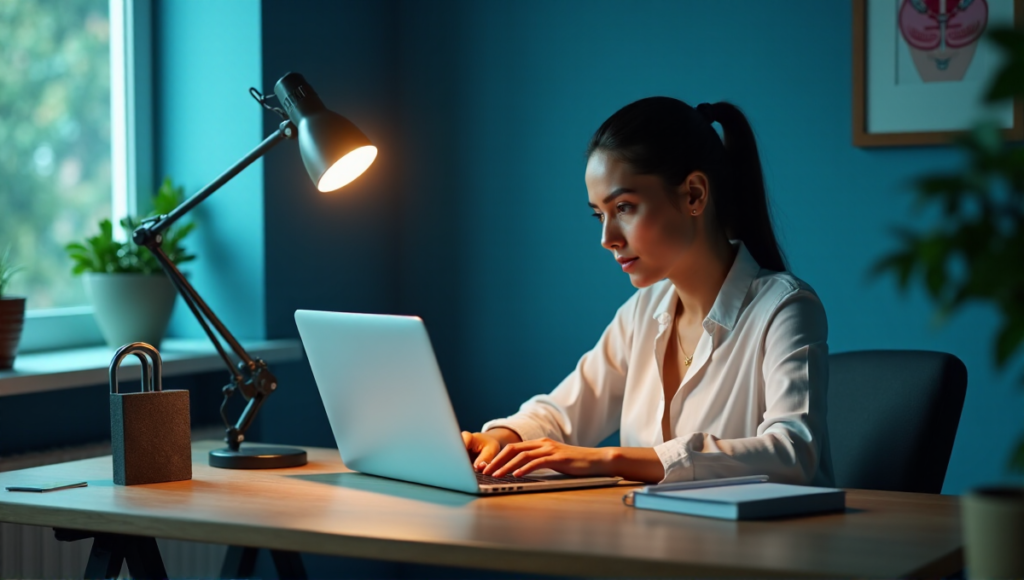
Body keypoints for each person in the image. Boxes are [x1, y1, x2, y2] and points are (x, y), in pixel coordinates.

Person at [461, 97, 833, 486]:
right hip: (654, 540)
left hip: (762, 543)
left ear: (693, 195)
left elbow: (792, 452)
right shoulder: (643, 312)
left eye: (624, 206)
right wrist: (500, 438)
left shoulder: (785, 309)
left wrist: (611, 459)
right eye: (598, 214)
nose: (607, 238)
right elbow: (564, 413)